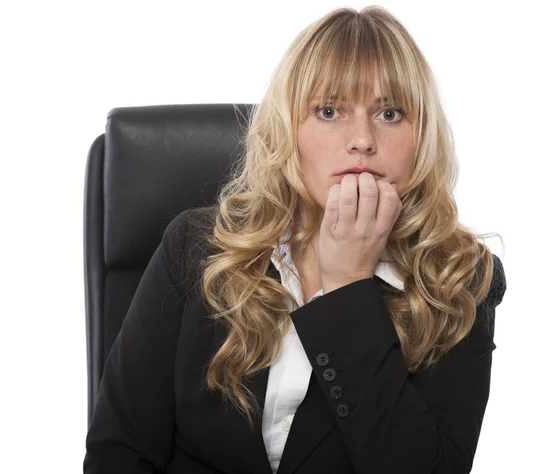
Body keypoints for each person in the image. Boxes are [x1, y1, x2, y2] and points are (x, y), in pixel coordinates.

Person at [83, 6, 507, 474]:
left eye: (390, 113)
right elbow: (118, 453)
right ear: (289, 130)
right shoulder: (196, 247)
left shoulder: (460, 279)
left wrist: (348, 285)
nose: (362, 140)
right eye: (329, 111)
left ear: (420, 136)